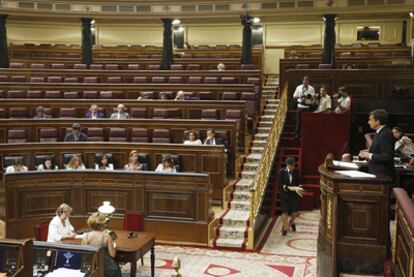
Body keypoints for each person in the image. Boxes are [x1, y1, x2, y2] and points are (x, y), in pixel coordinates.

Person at [82, 212, 122, 277]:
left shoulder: (86, 236)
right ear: (102, 224)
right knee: (116, 268)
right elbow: (112, 255)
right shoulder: (106, 236)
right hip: (106, 268)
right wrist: (113, 247)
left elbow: (84, 255)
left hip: (91, 268)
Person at [359, 109, 395, 180]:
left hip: (382, 176)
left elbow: (386, 156)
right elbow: (378, 150)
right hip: (375, 172)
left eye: (370, 120)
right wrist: (368, 152)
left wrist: (369, 155)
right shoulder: (379, 132)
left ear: (377, 121)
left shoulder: (386, 134)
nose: (368, 122)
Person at [278, 157, 304, 236]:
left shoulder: (296, 171)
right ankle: (285, 228)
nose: (293, 167)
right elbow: (280, 184)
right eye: (292, 166)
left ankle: (291, 222)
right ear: (288, 165)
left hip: (293, 195)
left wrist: (299, 187)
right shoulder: (281, 172)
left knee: (294, 213)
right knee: (285, 212)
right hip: (284, 195)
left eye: (294, 165)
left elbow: (299, 182)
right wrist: (287, 187)